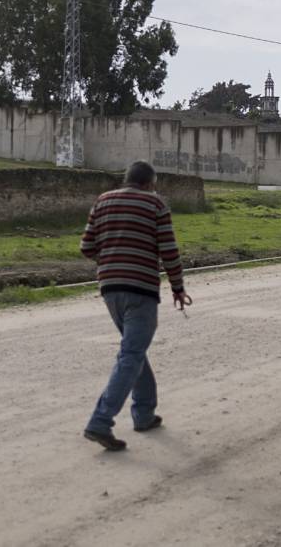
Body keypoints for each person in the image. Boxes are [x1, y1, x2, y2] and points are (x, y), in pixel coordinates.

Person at [80, 160, 192, 451]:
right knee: (131, 354)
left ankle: (144, 413)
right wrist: (178, 288)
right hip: (140, 289)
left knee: (134, 350)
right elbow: (169, 250)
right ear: (148, 183)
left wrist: (113, 261)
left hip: (110, 290)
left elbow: (87, 247)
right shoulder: (155, 205)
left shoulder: (102, 201)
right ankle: (100, 421)